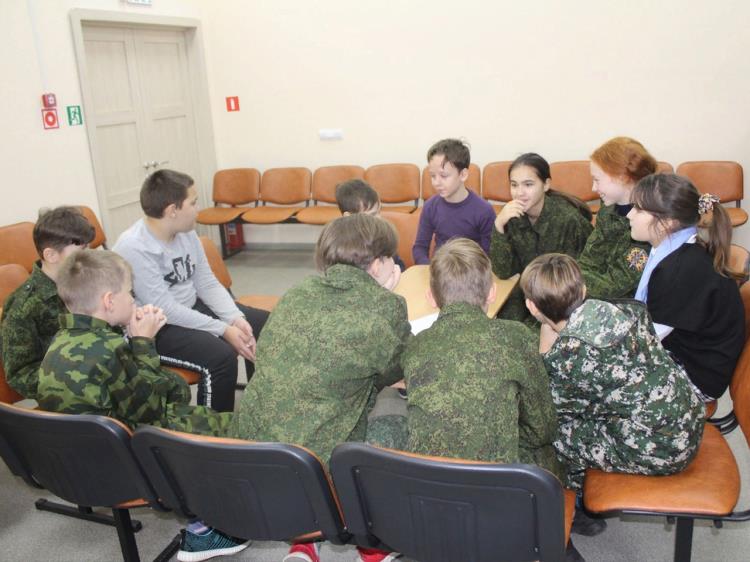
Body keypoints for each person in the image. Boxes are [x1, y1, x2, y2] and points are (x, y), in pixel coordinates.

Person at [36, 249, 248, 561]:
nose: (133, 299)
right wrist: (144, 343)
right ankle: (203, 530)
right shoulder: (111, 350)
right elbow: (157, 406)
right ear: (109, 301)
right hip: (122, 462)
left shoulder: (57, 343)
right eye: (129, 292)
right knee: (226, 427)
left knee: (192, 414)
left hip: (73, 464)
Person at [232, 214, 410, 562]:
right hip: (313, 468)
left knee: (330, 402)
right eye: (391, 258)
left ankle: (304, 541)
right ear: (378, 266)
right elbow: (397, 371)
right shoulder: (384, 306)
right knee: (398, 418)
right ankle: (371, 542)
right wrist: (387, 297)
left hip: (256, 454)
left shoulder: (297, 292)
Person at [521, 253, 704, 491]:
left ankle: (576, 494)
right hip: (689, 417)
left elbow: (550, 418)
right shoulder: (617, 310)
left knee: (551, 439)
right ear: (584, 290)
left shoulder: (569, 355)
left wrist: (545, 355)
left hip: (665, 448)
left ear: (531, 306)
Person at [113, 169, 268, 412]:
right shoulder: (134, 246)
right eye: (193, 203)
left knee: (262, 325)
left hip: (189, 307)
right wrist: (223, 329)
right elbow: (166, 309)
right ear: (172, 210)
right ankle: (212, 428)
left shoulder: (186, 233)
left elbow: (206, 283)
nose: (198, 210)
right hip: (156, 326)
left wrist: (234, 318)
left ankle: (259, 408)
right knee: (220, 358)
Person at [403, 238, 562, 475]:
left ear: (431, 298)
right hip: (498, 484)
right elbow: (543, 429)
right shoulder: (516, 337)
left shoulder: (416, 345)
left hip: (430, 482)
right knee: (546, 451)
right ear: (492, 293)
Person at [628, 173, 745, 401]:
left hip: (694, 379)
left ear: (668, 222)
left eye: (639, 209)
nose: (629, 214)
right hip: (683, 353)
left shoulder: (678, 270)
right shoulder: (676, 250)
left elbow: (646, 339)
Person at [1, 206, 94, 399]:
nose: (90, 256)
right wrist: (75, 379)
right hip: (71, 394)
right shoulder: (24, 307)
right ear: (51, 255)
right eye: (82, 250)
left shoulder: (88, 281)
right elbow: (20, 374)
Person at [490, 153, 593, 322]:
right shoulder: (512, 216)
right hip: (525, 294)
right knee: (503, 328)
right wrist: (499, 225)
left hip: (559, 299)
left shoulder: (569, 220)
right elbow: (503, 271)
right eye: (514, 185)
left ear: (546, 185)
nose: (519, 193)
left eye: (528, 184)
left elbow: (581, 276)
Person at [577, 137, 656, 299]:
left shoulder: (649, 223)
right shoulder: (609, 207)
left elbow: (613, 285)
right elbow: (590, 258)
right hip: (588, 296)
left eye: (597, 180)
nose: (593, 188)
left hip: (626, 307)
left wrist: (568, 286)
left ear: (621, 177)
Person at [412, 138, 496, 264]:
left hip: (471, 271)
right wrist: (428, 268)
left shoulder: (484, 210)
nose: (436, 183)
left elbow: (489, 255)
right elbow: (420, 247)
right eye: (433, 176)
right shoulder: (430, 206)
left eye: (444, 176)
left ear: (463, 175)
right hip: (440, 269)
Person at [336, 178, 406, 270]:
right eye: (372, 215)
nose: (379, 218)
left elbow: (399, 266)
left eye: (379, 212)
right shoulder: (340, 249)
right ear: (348, 217)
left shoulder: (382, 237)